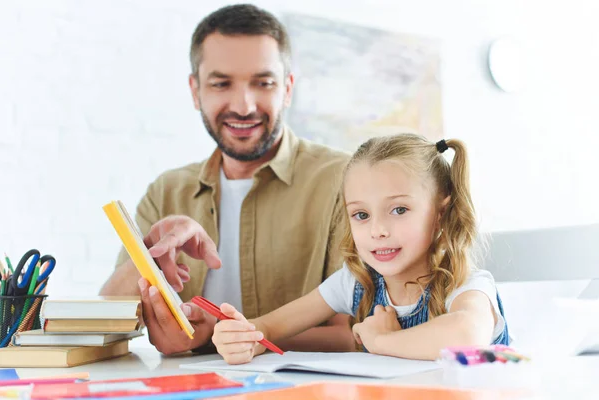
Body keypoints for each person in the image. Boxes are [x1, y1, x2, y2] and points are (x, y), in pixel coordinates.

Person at [99, 4, 355, 355]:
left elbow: (351, 333)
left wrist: (217, 334)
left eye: (263, 83)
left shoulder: (344, 180)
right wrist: (150, 257)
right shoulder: (167, 192)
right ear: (195, 91)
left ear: (287, 88)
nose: (244, 106)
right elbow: (107, 320)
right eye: (221, 84)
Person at [212, 134, 510, 364]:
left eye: (399, 210)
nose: (377, 230)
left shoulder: (466, 285)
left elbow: (468, 335)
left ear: (441, 213)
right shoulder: (355, 281)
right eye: (362, 215)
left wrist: (382, 341)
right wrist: (245, 337)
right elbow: (269, 327)